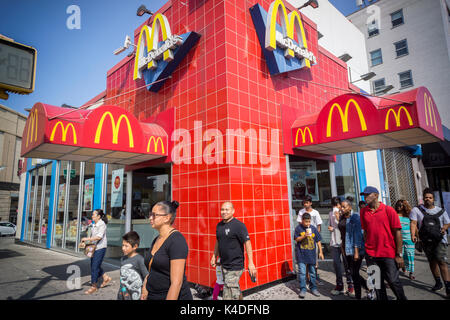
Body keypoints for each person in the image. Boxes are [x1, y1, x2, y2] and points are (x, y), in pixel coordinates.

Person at [359, 186, 407, 300]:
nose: (365, 197)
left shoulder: (388, 210)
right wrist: (367, 248)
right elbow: (365, 232)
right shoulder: (363, 211)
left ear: (376, 195)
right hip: (371, 255)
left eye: (367, 195)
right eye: (364, 195)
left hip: (388, 254)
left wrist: (399, 254)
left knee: (394, 282)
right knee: (377, 284)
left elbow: (398, 233)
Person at [142, 201, 192, 300]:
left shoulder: (176, 240)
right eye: (150, 214)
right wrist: (145, 285)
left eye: (154, 215)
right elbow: (153, 269)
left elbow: (176, 283)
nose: (150, 218)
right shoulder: (157, 239)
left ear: (167, 218)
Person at [211, 202, 257, 300]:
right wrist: (214, 256)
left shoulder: (239, 226)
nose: (224, 212)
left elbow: (247, 243)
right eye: (222, 209)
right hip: (224, 264)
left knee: (228, 294)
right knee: (234, 289)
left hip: (235, 265)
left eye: (227, 210)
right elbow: (218, 242)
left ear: (233, 211)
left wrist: (251, 263)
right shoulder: (219, 226)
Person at [410, 188, 450, 298]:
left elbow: (447, 223)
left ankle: (448, 286)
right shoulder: (416, 210)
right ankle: (438, 282)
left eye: (430, 197)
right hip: (426, 241)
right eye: (426, 197)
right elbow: (413, 223)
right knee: (432, 262)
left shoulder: (441, 210)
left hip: (440, 240)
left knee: (442, 262)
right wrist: (413, 235)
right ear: (423, 199)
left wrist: (444, 228)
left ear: (433, 199)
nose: (428, 199)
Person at [339, 199, 367, 300]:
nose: (341, 208)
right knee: (352, 272)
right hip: (346, 248)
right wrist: (342, 247)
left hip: (356, 249)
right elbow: (342, 234)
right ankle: (367, 286)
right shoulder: (342, 217)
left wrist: (356, 252)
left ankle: (358, 296)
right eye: (341, 206)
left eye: (344, 207)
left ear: (350, 207)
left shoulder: (355, 217)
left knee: (354, 273)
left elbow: (357, 235)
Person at [81, 209, 112, 295]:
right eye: (92, 214)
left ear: (98, 216)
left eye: (94, 215)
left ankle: (94, 286)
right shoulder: (93, 225)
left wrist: (87, 239)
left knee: (95, 267)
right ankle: (105, 277)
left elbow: (99, 237)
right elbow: (91, 235)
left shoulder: (102, 224)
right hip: (94, 247)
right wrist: (86, 242)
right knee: (94, 265)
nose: (92, 216)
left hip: (100, 248)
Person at [294, 212, 324, 298]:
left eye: (309, 221)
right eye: (306, 221)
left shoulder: (313, 228)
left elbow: (318, 240)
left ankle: (313, 288)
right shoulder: (298, 229)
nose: (308, 223)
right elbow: (296, 239)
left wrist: (320, 252)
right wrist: (304, 236)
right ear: (302, 221)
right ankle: (303, 289)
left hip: (311, 254)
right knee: (302, 273)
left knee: (312, 273)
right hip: (301, 255)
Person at [297, 195, 323, 284]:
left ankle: (315, 277)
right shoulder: (301, 212)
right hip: (304, 239)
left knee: (314, 259)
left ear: (311, 203)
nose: (305, 204)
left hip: (313, 239)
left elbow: (319, 226)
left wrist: (316, 236)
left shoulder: (315, 213)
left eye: (307, 202)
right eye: (304, 202)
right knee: (306, 260)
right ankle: (307, 278)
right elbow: (300, 225)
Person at [328, 196, 351, 296]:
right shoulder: (330, 213)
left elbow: (346, 227)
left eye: (337, 205)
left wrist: (338, 218)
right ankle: (339, 285)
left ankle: (350, 286)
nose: (336, 208)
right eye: (334, 205)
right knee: (337, 265)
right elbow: (331, 225)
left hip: (344, 242)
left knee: (347, 265)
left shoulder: (345, 214)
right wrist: (331, 227)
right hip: (334, 242)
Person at [118, 231, 148, 300]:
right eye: (123, 245)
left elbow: (146, 276)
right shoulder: (123, 259)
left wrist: (144, 291)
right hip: (123, 295)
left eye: (126, 246)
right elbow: (122, 278)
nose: (123, 248)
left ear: (135, 246)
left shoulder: (140, 260)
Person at [394, 199, 416, 280]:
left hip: (409, 239)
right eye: (398, 205)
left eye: (401, 205)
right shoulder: (394, 216)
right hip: (398, 240)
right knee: (399, 255)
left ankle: (411, 273)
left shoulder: (409, 216)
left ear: (405, 206)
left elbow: (414, 227)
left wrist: (415, 236)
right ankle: (397, 273)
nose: (399, 206)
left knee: (410, 256)